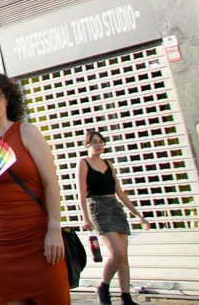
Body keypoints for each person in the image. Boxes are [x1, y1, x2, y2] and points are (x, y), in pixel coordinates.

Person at [0, 69, 69, 305]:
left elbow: (51, 184)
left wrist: (54, 229)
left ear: (7, 99)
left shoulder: (27, 133)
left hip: (40, 239)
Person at [75, 130, 150, 305]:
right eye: (94, 142)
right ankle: (103, 287)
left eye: (101, 142)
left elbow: (120, 192)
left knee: (124, 257)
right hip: (98, 209)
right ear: (87, 144)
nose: (99, 145)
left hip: (115, 207)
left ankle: (126, 297)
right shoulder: (83, 163)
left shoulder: (109, 164)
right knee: (117, 253)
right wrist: (85, 217)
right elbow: (81, 192)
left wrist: (138, 215)